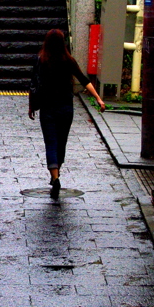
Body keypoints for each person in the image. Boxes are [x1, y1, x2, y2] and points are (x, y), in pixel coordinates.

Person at [28, 28, 105, 199]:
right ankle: (56, 174)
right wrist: (98, 99)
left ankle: (55, 177)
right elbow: (84, 80)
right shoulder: (68, 60)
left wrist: (31, 105)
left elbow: (34, 83)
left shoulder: (41, 59)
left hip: (48, 108)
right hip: (65, 109)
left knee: (51, 143)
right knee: (61, 143)